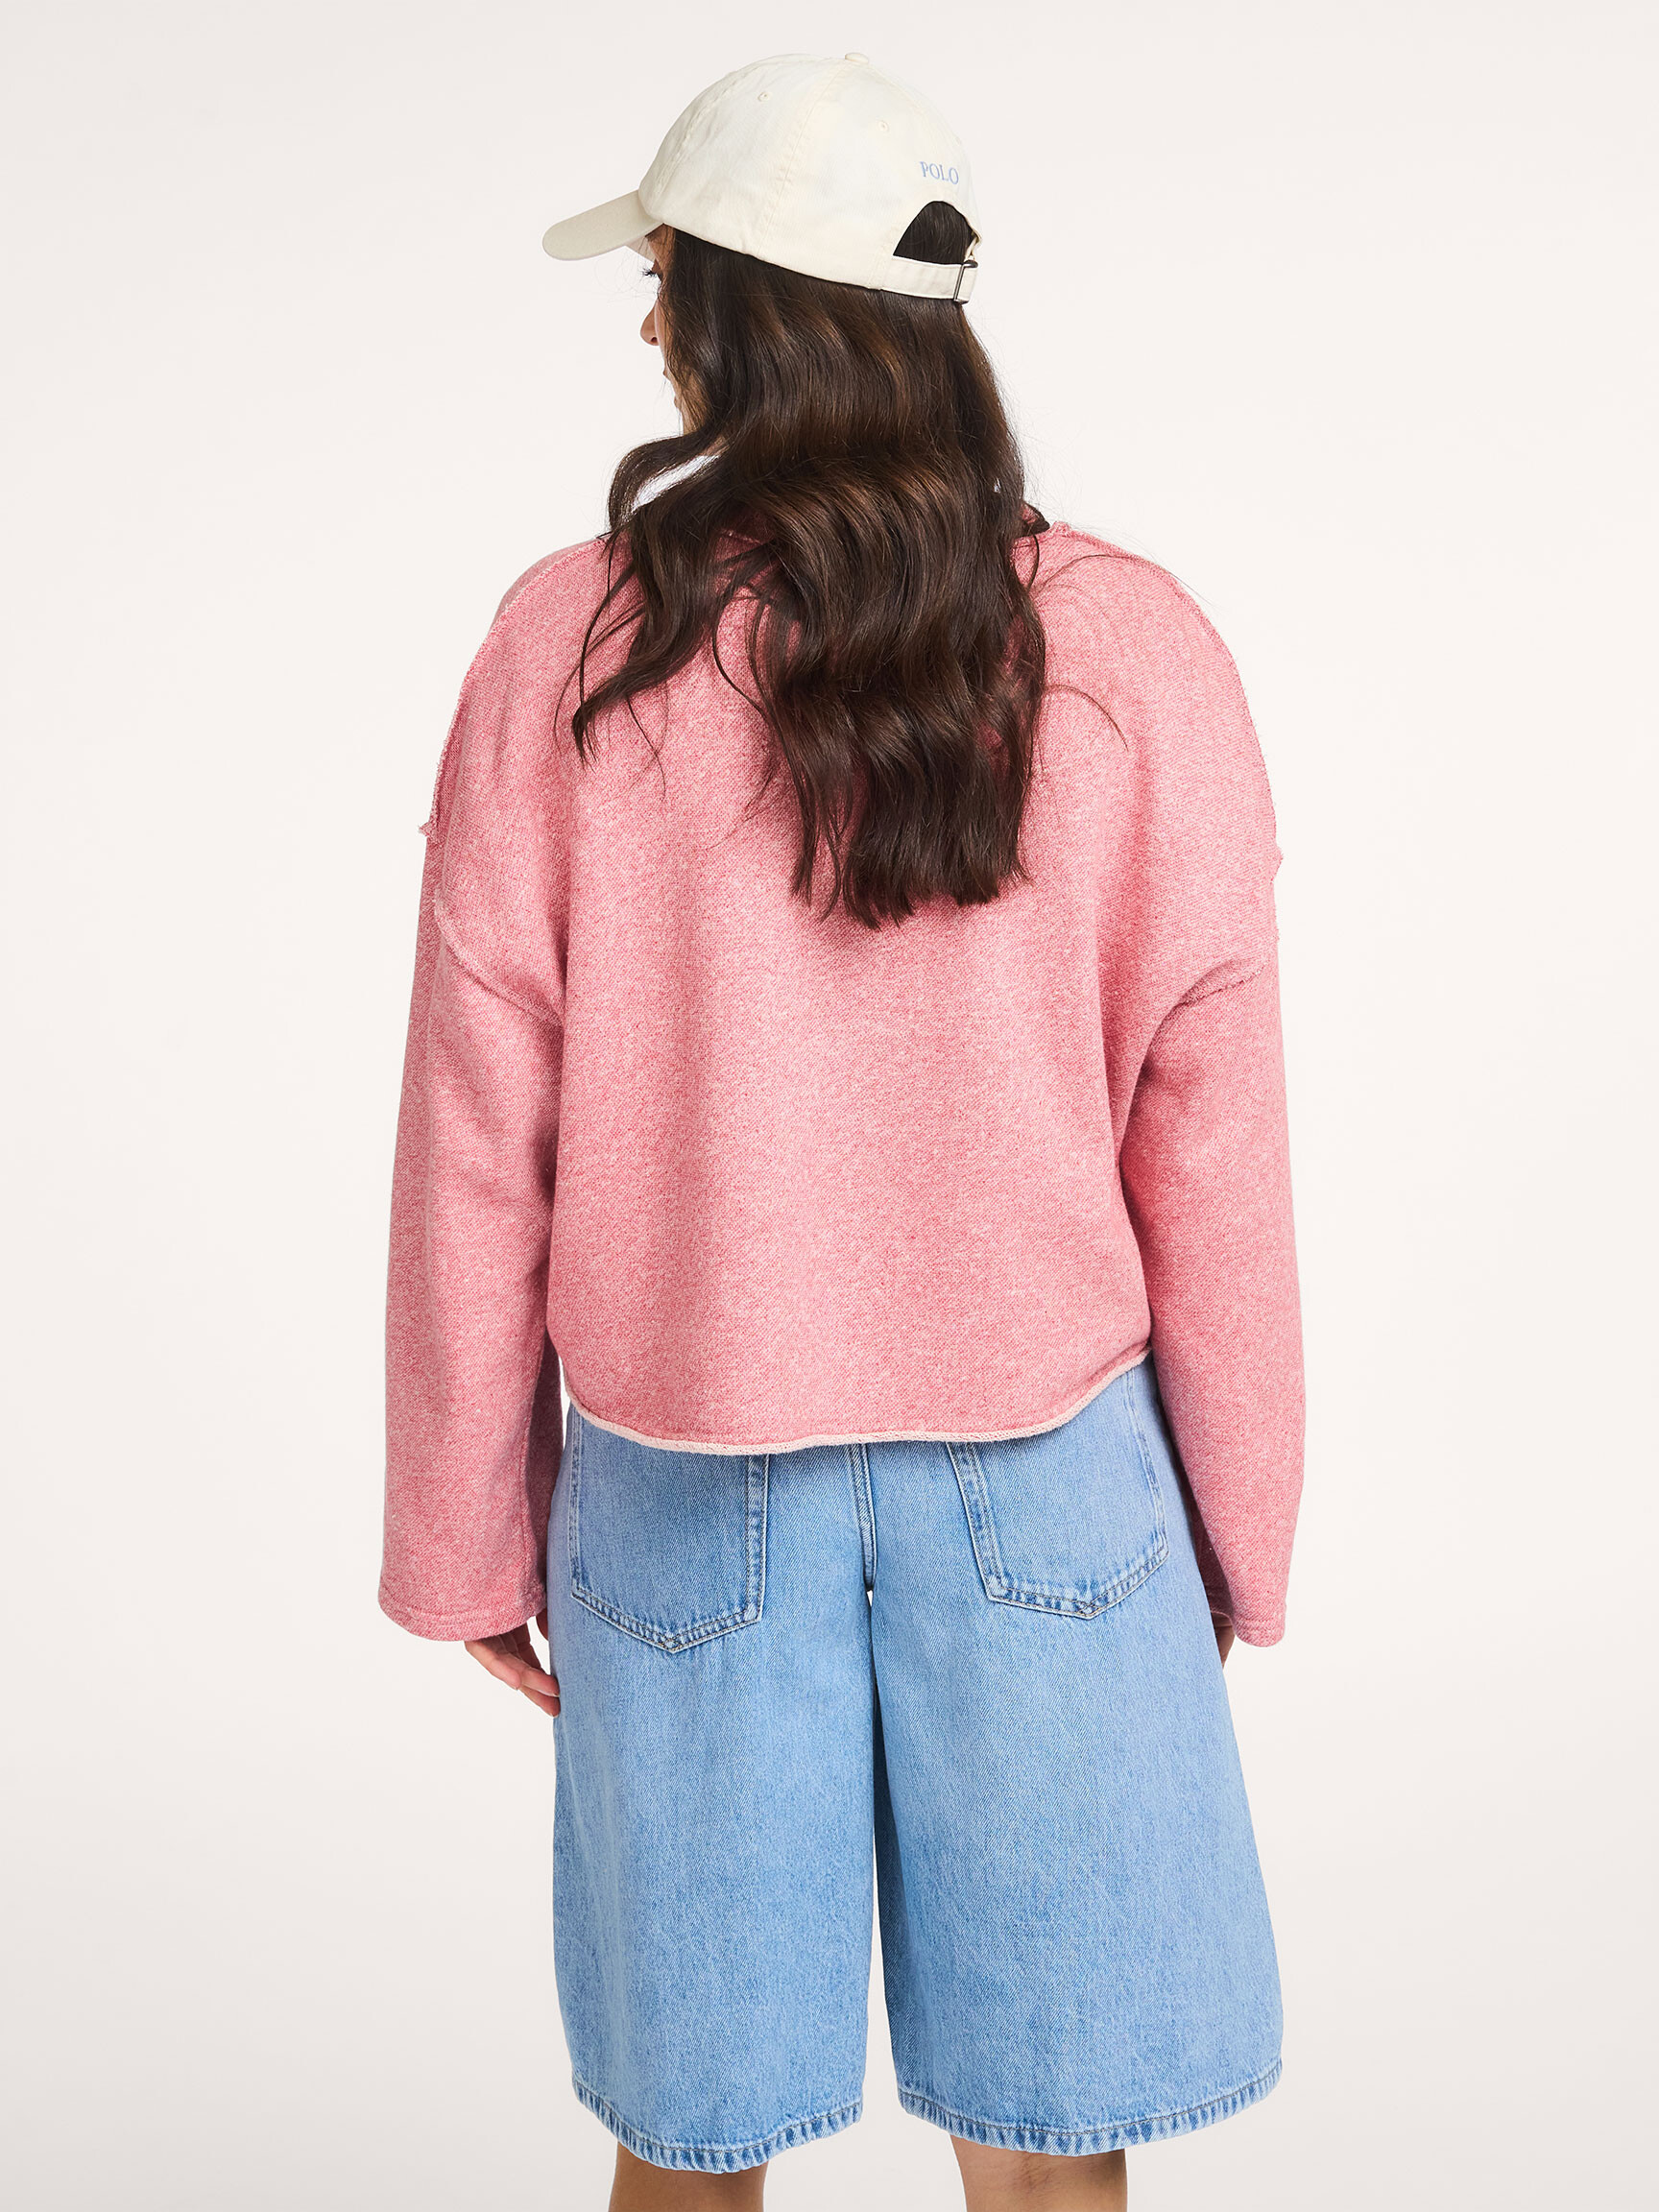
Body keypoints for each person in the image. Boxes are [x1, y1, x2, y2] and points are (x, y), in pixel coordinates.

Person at [378, 52, 1304, 2212]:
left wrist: (461, 1522)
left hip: (686, 1487)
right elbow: (1216, 1133)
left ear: (746, 311)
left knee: (689, 2159)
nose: (647, 322)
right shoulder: (1130, 648)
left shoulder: (572, 649)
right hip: (1054, 1488)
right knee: (1053, 2161)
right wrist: (1239, 1519)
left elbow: (477, 1120)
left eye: (668, 275)